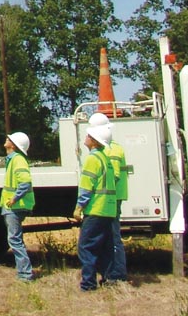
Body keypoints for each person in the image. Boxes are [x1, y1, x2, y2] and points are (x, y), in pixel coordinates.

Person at [74, 123, 117, 292]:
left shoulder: (92, 159)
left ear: (93, 141)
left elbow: (87, 187)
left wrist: (79, 207)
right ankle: (109, 280)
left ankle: (88, 284)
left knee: (86, 247)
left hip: (95, 209)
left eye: (88, 135)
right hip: (107, 209)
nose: (85, 137)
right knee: (105, 247)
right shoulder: (104, 157)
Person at [89, 111, 128, 283]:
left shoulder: (110, 149)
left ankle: (116, 275)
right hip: (112, 198)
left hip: (109, 200)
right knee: (110, 236)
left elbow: (112, 177)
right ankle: (111, 272)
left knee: (112, 237)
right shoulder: (115, 147)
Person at [1, 131, 36, 281]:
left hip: (15, 206)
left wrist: (14, 199)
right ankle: (24, 273)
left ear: (14, 145)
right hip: (13, 206)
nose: (6, 139)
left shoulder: (18, 160)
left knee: (15, 240)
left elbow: (25, 182)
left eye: (10, 139)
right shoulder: (14, 159)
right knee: (16, 239)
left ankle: (25, 274)